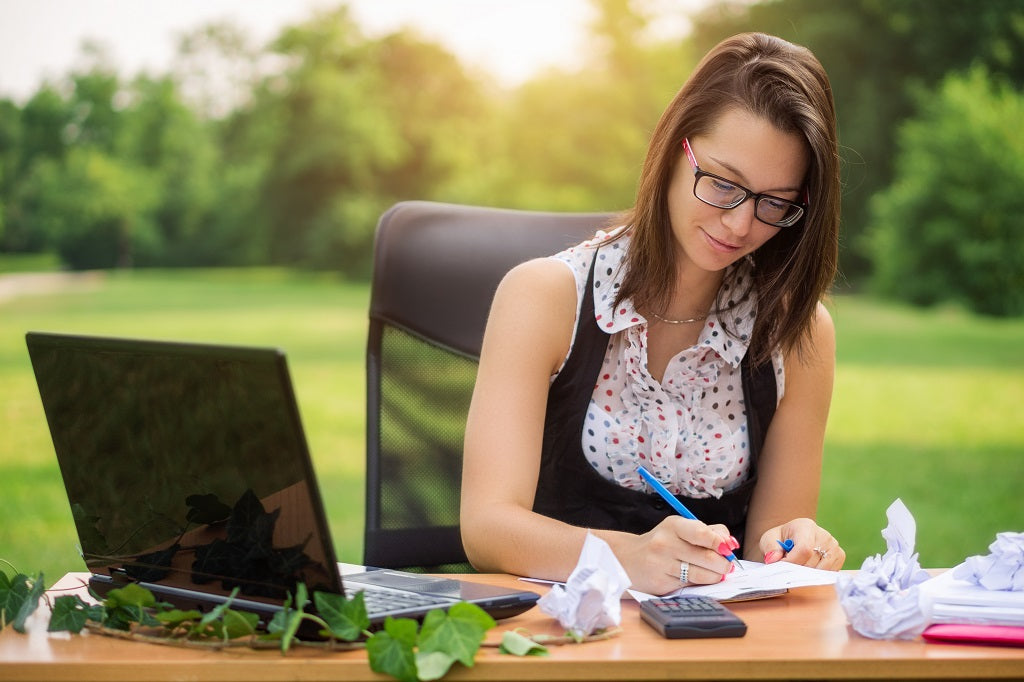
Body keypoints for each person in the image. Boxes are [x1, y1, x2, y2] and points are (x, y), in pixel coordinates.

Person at [460, 32, 847, 596]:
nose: (740, 225)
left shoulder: (799, 332)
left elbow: (770, 541)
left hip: (713, 644)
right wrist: (629, 557)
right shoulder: (545, 298)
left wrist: (794, 543)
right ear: (673, 151)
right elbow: (487, 528)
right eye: (721, 183)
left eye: (775, 202)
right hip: (559, 639)